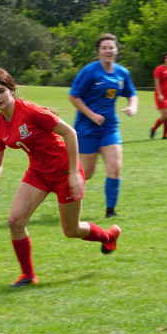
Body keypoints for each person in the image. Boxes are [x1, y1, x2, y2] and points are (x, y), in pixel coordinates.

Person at [0, 68, 121, 288]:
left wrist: (74, 173)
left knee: (71, 230)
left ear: (12, 90)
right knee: (15, 220)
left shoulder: (30, 111)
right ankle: (28, 275)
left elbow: (70, 133)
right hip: (38, 172)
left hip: (65, 171)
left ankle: (108, 237)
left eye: (1, 91)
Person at [68, 32, 138, 218]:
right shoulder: (90, 72)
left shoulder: (122, 73)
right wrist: (91, 115)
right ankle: (66, 193)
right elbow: (73, 96)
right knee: (87, 173)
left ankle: (110, 211)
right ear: (99, 52)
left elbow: (132, 93)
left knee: (115, 167)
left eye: (111, 47)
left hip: (109, 128)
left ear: (116, 50)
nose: (108, 51)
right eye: (104, 48)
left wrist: (132, 107)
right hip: (86, 129)